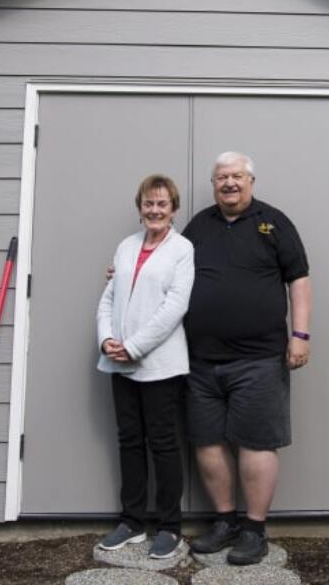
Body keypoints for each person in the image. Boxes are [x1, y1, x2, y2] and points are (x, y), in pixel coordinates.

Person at [182, 151, 312, 565]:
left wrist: (300, 335)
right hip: (200, 360)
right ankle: (224, 522)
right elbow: (167, 266)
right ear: (214, 184)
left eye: (237, 176)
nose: (229, 183)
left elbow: (299, 280)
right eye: (222, 177)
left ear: (251, 180)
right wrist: (125, 273)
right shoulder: (198, 226)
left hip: (259, 359)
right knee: (207, 441)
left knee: (257, 443)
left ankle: (254, 530)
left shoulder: (274, 222)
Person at [94, 174, 195, 560]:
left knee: (164, 444)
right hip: (118, 363)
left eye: (162, 204)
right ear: (140, 208)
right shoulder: (126, 247)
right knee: (130, 441)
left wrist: (135, 346)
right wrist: (106, 340)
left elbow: (175, 307)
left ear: (173, 209)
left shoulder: (182, 249)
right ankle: (132, 521)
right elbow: (108, 298)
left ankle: (169, 526)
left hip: (160, 365)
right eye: (148, 204)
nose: (154, 210)